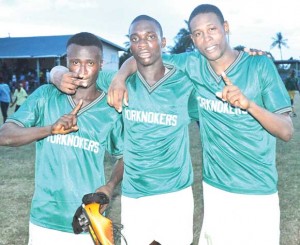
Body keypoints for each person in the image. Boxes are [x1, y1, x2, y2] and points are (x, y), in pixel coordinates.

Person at [106, 4, 294, 245]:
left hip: (258, 190)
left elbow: (286, 131)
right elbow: (144, 56)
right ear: (192, 39)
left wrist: (249, 105)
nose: (207, 39)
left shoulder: (259, 67)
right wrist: (120, 78)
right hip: (215, 189)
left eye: (212, 29)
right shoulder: (193, 65)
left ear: (226, 28)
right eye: (198, 34)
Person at [51, 15, 198, 245]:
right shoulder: (115, 80)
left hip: (175, 192)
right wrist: (57, 75)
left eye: (151, 37)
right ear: (130, 44)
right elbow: (70, 69)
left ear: (164, 41)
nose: (143, 44)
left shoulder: (184, 83)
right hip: (134, 192)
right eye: (135, 38)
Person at [0, 32, 124, 245]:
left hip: (87, 217)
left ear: (101, 64)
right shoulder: (46, 96)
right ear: (66, 63)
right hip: (44, 218)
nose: (82, 71)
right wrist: (50, 129)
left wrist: (110, 185)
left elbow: (124, 157)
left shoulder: (110, 109)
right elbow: (5, 136)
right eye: (75, 62)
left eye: (90, 63)